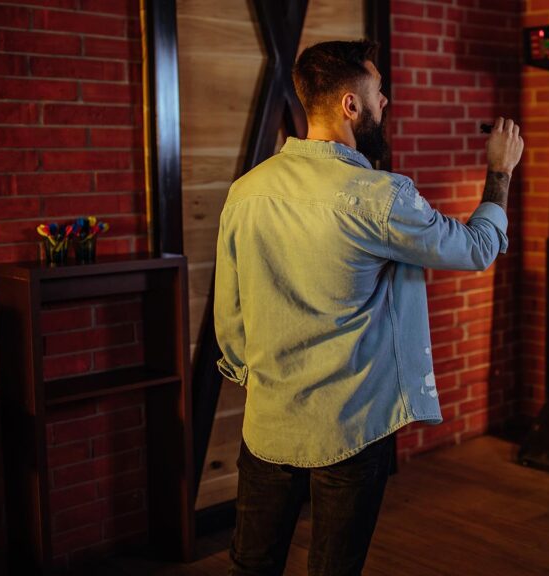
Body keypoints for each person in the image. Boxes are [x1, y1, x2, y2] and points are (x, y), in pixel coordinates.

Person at [213, 39, 524, 576]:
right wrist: (500, 172)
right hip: (350, 427)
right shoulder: (379, 197)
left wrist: (263, 380)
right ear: (350, 106)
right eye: (380, 93)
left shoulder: (246, 191)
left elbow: (230, 317)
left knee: (251, 564)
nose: (387, 103)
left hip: (268, 423)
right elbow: (477, 248)